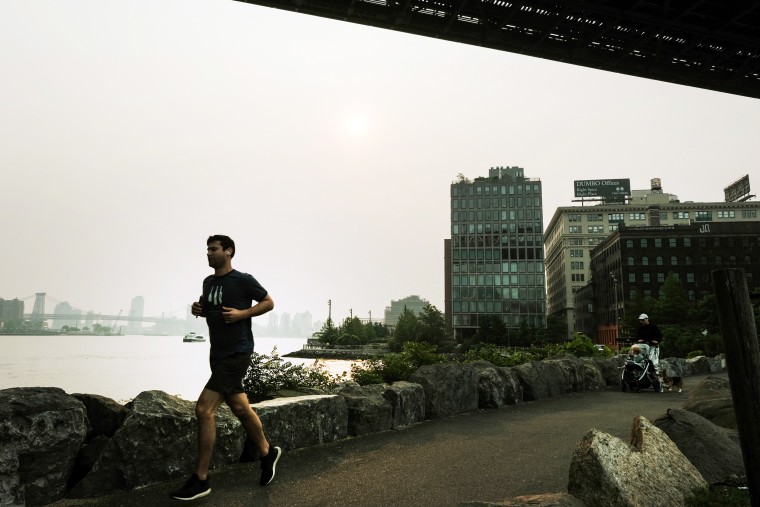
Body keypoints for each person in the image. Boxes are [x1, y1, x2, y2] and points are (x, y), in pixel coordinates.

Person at [170, 235, 281, 501]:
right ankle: (267, 453)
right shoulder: (208, 282)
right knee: (240, 407)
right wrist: (199, 308)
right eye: (207, 249)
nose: (208, 253)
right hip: (217, 353)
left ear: (228, 252)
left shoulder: (243, 279)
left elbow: (269, 302)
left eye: (213, 249)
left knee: (203, 409)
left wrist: (243, 314)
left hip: (238, 351)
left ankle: (201, 478)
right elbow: (209, 307)